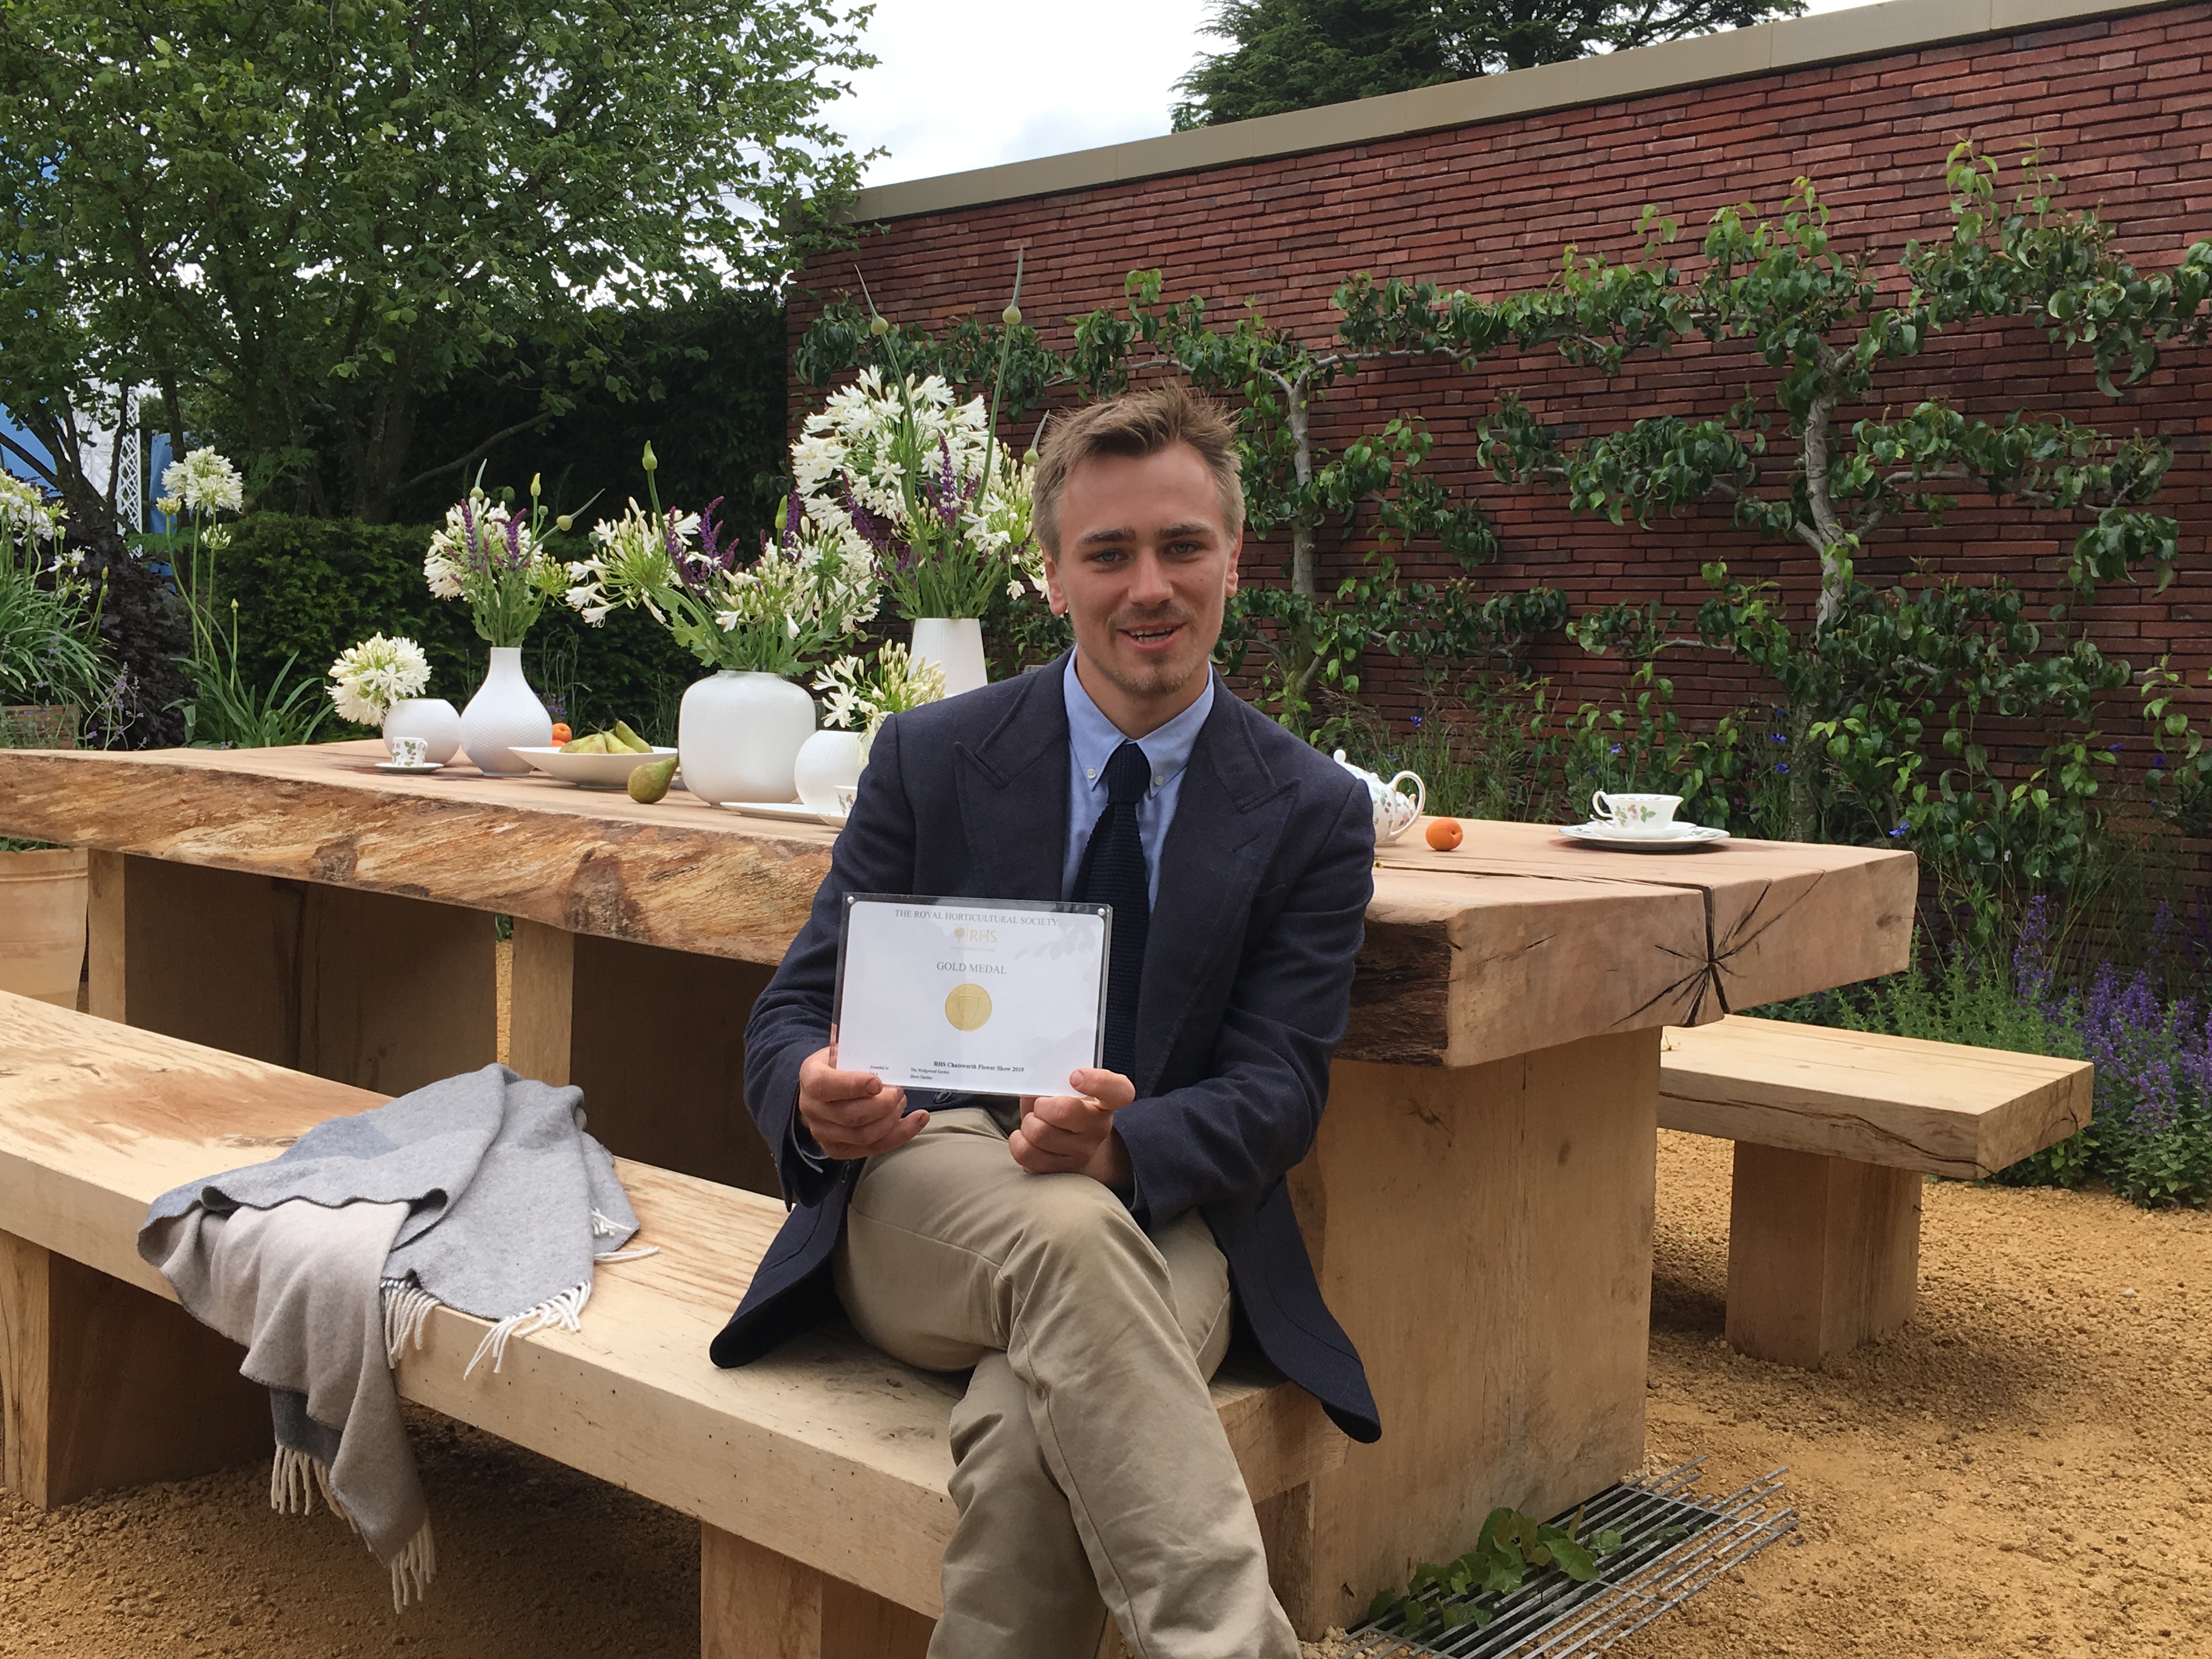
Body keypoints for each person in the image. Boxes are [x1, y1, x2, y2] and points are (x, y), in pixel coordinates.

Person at [711, 383, 1381, 1659]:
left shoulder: (1308, 809)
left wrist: (1127, 1146)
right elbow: (795, 1007)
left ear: (1235, 557)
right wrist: (810, 1086)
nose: (1150, 587)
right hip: (925, 1192)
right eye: (1109, 553)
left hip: (1161, 1220)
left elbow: (1281, 1088)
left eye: (1182, 547)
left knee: (1031, 1439)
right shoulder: (931, 756)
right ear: (1053, 576)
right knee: (1065, 1239)